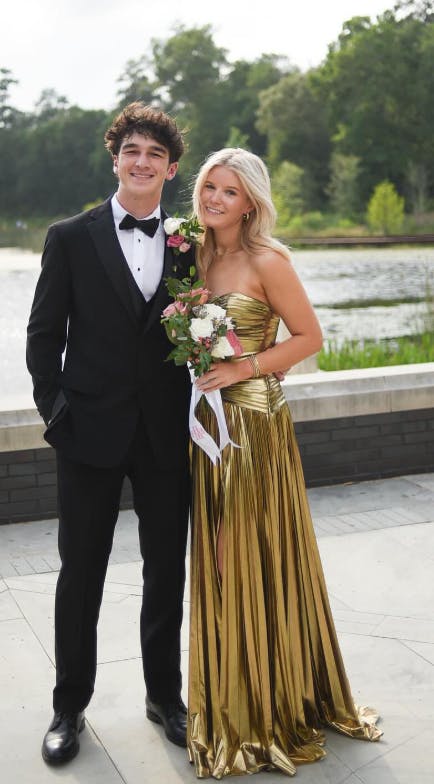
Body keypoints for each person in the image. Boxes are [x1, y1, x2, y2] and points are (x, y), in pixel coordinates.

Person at [187, 148, 382, 778]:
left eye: (229, 191)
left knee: (250, 551)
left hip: (252, 428)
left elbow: (309, 338)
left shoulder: (268, 260)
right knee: (219, 555)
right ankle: (229, 698)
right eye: (209, 186)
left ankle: (270, 706)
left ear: (251, 202)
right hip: (204, 425)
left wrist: (243, 367)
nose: (215, 199)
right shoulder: (193, 255)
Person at [26, 102, 194, 765]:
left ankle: (165, 698)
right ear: (115, 158)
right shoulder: (70, 237)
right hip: (87, 434)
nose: (142, 162)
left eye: (155, 153)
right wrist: (58, 414)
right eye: (132, 151)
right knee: (81, 574)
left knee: (167, 571)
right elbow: (43, 337)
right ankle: (68, 707)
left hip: (165, 436)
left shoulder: (189, 242)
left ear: (171, 169)